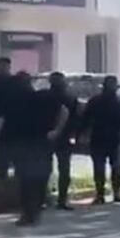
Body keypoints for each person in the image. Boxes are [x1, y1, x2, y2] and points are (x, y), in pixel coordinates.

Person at [0, 72, 69, 226]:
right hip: (41, 143)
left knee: (25, 179)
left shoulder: (11, 101)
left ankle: (29, 212)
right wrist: (56, 131)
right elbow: (64, 111)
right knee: (40, 176)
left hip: (22, 144)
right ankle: (36, 208)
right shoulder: (44, 97)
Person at [80, 75, 120, 204]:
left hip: (100, 137)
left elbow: (85, 119)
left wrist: (81, 133)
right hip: (114, 138)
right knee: (115, 166)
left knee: (101, 167)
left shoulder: (96, 101)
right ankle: (115, 193)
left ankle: (101, 194)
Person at [46, 72, 80, 210]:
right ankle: (62, 200)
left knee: (43, 168)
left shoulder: (43, 97)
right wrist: (76, 134)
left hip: (45, 136)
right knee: (64, 170)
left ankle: (43, 198)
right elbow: (77, 119)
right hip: (64, 137)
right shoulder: (70, 98)